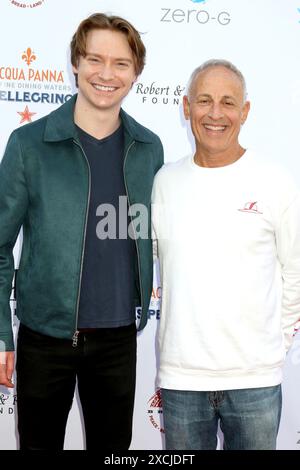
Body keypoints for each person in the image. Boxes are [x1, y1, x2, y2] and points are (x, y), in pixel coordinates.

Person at [0, 13, 163, 450]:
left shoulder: (149, 148)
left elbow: (149, 234)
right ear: (75, 62)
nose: (106, 74)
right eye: (95, 59)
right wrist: (1, 331)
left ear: (136, 73)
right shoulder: (28, 144)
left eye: (121, 63)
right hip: (44, 337)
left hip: (117, 341)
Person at [151, 59, 300, 450]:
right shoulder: (164, 182)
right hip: (183, 381)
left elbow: (296, 272)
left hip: (255, 382)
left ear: (245, 111)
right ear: (186, 108)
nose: (215, 114)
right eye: (204, 101)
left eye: (228, 102)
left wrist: (276, 344)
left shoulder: (277, 182)